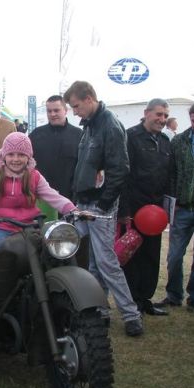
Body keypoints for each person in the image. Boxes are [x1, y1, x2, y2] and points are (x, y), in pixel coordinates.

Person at [64, 80, 144, 337]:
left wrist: (104, 203)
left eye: (76, 106)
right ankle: (100, 310)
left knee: (106, 261)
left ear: (89, 98)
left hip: (99, 204)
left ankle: (131, 314)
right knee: (93, 262)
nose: (74, 112)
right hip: (86, 201)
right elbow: (84, 167)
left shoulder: (109, 125)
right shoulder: (91, 126)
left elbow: (120, 169)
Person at [0, 132, 77, 252]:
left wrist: (73, 210)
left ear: (28, 157)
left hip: (28, 227)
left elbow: (53, 196)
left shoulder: (34, 176)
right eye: (11, 154)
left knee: (47, 254)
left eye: (21, 155)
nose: (15, 159)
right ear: (4, 156)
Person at [157, 101, 194, 313]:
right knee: (174, 256)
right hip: (181, 208)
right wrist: (172, 200)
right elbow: (171, 173)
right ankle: (174, 295)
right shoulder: (179, 141)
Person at [120, 98, 172, 316]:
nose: (161, 119)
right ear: (146, 113)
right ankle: (132, 302)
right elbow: (123, 176)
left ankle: (146, 298)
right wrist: (125, 211)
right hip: (134, 209)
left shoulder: (166, 141)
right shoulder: (130, 137)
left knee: (152, 255)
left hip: (156, 211)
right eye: (158, 114)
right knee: (133, 256)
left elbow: (169, 176)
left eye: (165, 116)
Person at [29, 95, 82, 201]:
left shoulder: (79, 135)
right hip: (41, 197)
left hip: (69, 197)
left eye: (56, 110)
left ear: (65, 110)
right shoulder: (36, 135)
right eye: (49, 111)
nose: (52, 114)